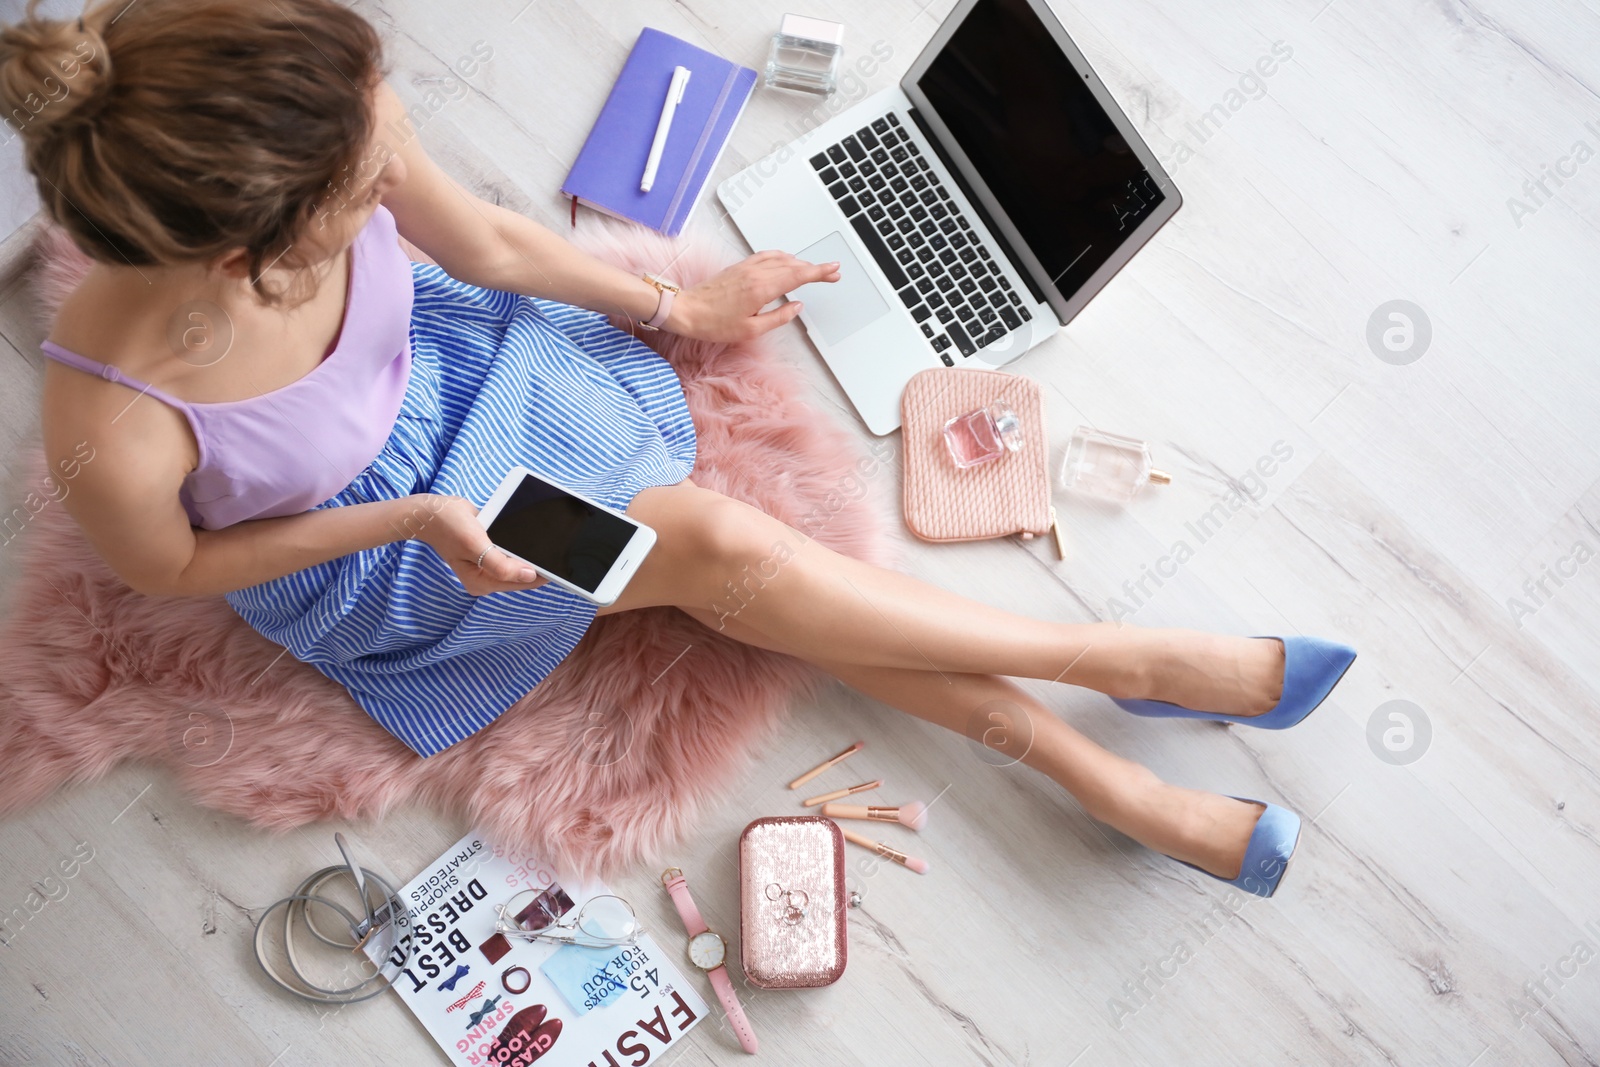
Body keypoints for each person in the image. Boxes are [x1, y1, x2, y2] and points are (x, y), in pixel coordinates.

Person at [1, 0, 1354, 898]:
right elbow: (178, 570)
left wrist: (678, 304)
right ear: (246, 252)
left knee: (729, 572)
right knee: (711, 547)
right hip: (393, 549)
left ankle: (1097, 758)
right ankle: (1120, 682)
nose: (387, 180)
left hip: (486, 379)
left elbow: (486, 246)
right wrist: (401, 527)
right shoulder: (110, 418)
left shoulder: (314, 106)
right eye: (356, 202)